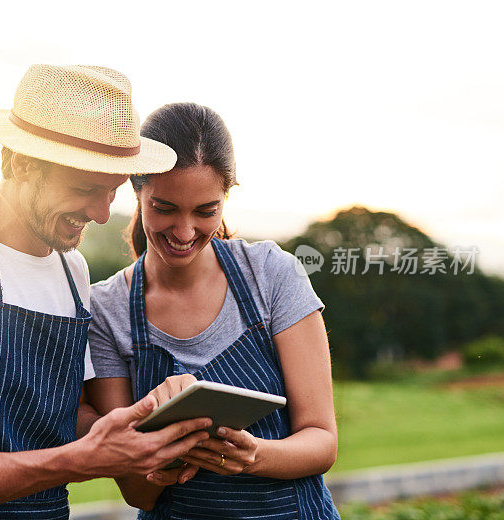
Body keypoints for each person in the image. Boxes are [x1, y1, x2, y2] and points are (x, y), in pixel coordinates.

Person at [0, 66, 214, 520]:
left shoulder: (70, 267)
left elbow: (59, 412)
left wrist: (143, 436)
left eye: (112, 193)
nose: (99, 213)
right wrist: (78, 460)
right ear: (19, 164)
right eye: (85, 189)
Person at [85, 102, 341, 519]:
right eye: (164, 208)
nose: (184, 232)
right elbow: (137, 492)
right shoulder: (106, 310)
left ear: (225, 197)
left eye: (205, 211)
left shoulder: (272, 276)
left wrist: (254, 455)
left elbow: (321, 441)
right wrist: (157, 434)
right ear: (137, 190)